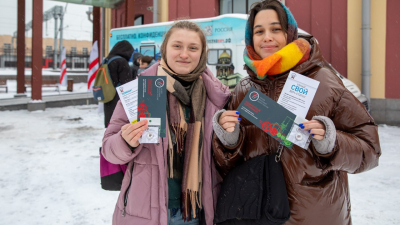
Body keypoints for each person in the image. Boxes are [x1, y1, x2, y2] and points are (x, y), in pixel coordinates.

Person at [212, 1, 381, 224]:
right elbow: (227, 164)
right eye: (259, 31)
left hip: (315, 214)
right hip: (259, 213)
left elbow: (370, 150)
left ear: (290, 33)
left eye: (276, 29)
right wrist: (229, 140)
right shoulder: (244, 88)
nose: (267, 37)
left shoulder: (324, 81)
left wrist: (330, 143)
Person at [102, 21, 231, 225]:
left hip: (199, 210)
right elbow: (108, 150)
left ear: (202, 53)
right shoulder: (140, 90)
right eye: (177, 46)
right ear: (165, 49)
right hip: (147, 210)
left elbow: (228, 155)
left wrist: (230, 135)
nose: (184, 54)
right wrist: (125, 141)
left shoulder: (218, 97)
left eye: (193, 48)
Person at [103, 40, 134, 128]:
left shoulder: (107, 59)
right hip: (119, 97)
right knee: (119, 122)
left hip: (108, 94)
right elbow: (127, 83)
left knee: (110, 119)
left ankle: (110, 131)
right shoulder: (121, 61)